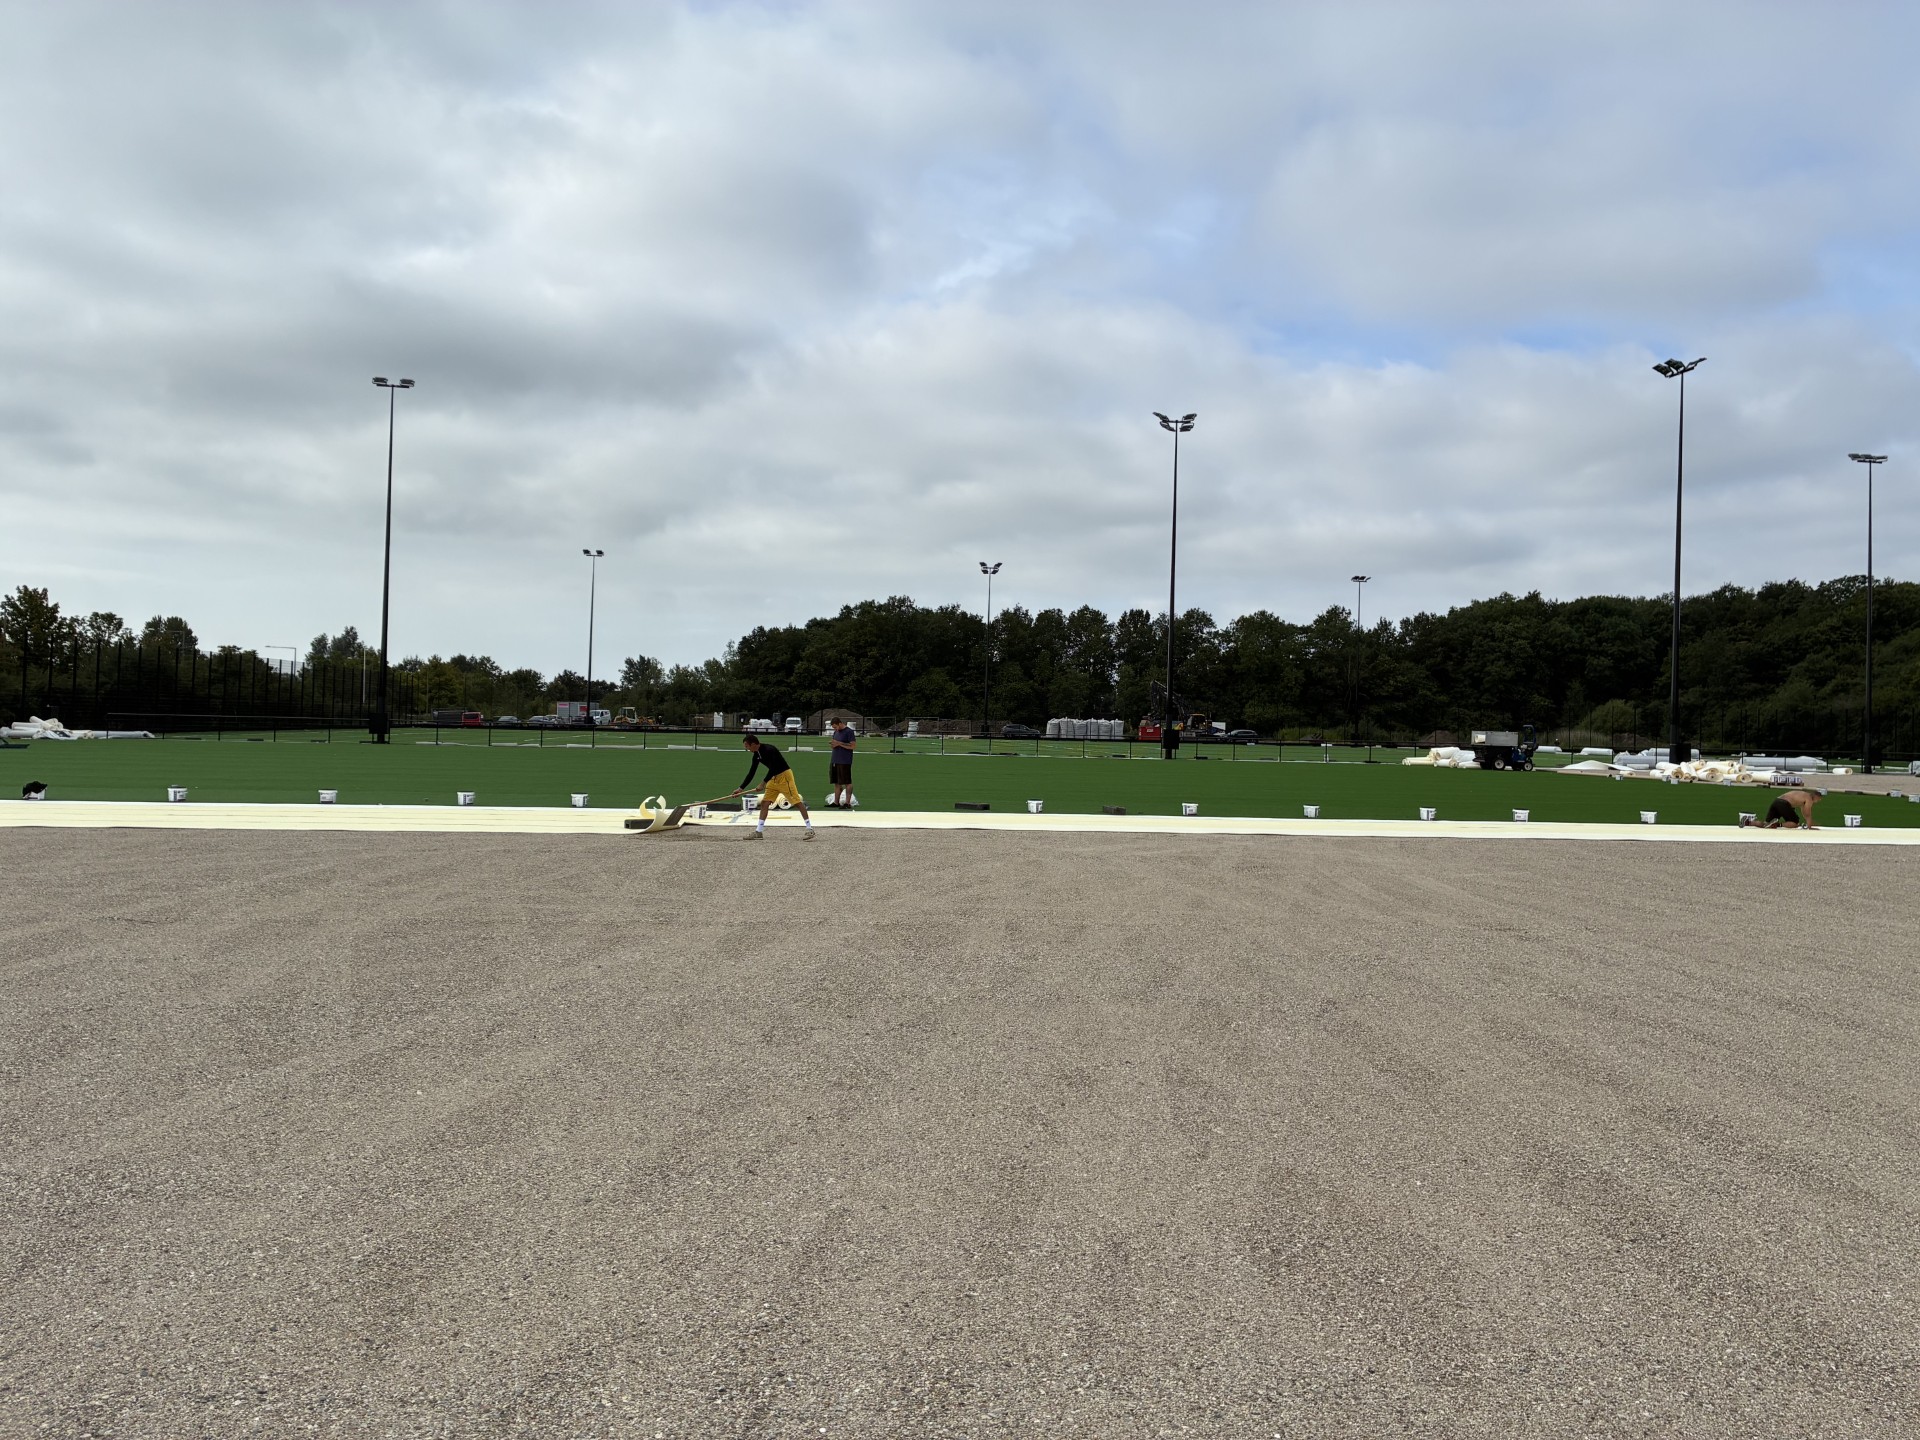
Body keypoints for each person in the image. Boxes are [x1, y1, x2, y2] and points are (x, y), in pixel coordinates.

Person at [734, 733, 815, 840]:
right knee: (765, 803)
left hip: (784, 776)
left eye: (747, 746)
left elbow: (773, 767)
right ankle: (759, 832)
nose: (747, 749)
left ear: (753, 744)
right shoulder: (756, 755)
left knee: (796, 802)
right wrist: (740, 788)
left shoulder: (769, 749)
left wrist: (763, 783)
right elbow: (751, 772)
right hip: (773, 778)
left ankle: (809, 829)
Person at [1742, 788, 1822, 829]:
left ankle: (1748, 822)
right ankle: (1776, 824)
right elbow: (1808, 814)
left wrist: (1809, 823)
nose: (1818, 801)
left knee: (1766, 824)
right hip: (1784, 803)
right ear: (1816, 797)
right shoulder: (1809, 798)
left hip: (1777, 801)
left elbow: (1804, 812)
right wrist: (1810, 827)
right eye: (1818, 799)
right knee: (1795, 823)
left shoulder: (1803, 795)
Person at [825, 716, 857, 808]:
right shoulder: (836, 732)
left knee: (847, 782)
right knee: (836, 782)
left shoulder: (849, 732)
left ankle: (847, 803)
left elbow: (853, 746)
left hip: (845, 760)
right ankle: (836, 802)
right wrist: (833, 744)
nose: (835, 729)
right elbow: (835, 744)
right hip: (835, 759)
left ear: (840, 723)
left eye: (835, 727)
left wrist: (839, 743)